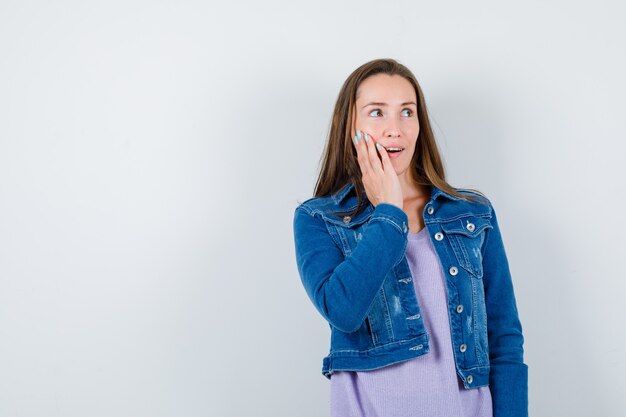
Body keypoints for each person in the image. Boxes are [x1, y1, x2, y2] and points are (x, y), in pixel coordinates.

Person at [292, 58, 528, 417]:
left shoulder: (473, 214)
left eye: (407, 112)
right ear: (350, 126)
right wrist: (388, 213)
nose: (395, 129)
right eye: (376, 113)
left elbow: (504, 340)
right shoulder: (319, 219)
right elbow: (343, 311)